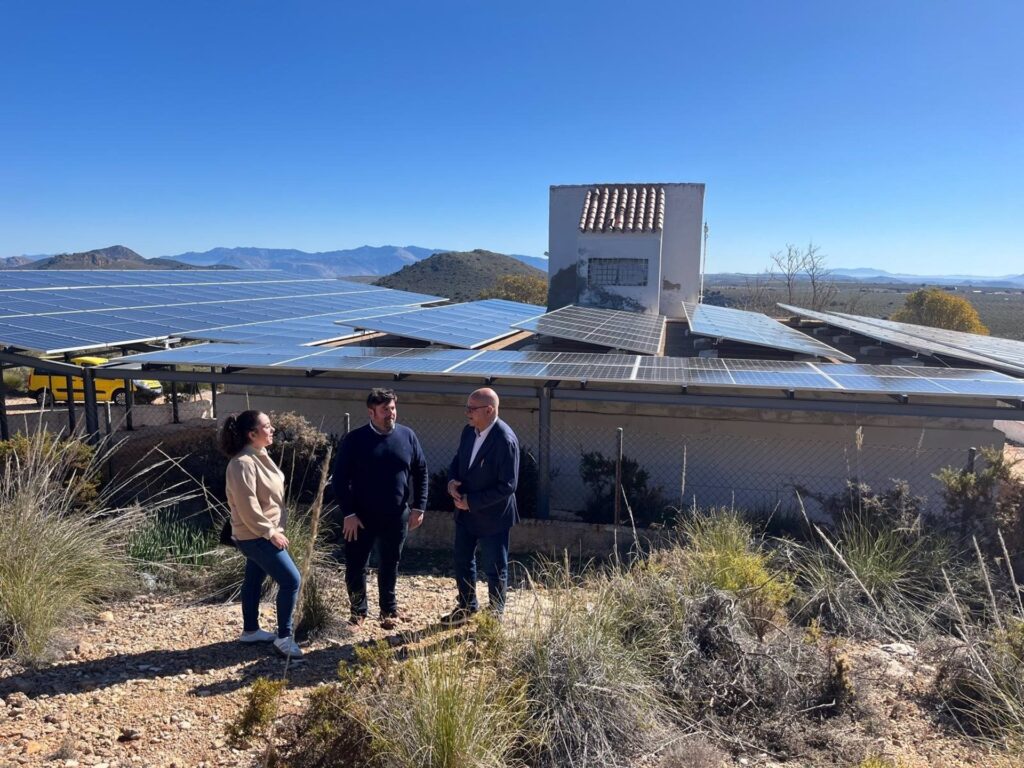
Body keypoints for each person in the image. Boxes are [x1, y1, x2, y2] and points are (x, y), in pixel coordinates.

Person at [332, 388, 428, 629]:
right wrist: (349, 514)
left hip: (396, 515)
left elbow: (421, 471)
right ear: (371, 412)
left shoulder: (408, 436)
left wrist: (419, 507)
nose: (391, 414)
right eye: (385, 410)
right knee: (356, 564)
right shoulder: (355, 440)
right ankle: (358, 612)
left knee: (390, 562)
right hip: (360, 517)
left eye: (393, 408)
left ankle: (389, 609)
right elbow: (340, 479)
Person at [220, 410, 304, 660]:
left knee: (253, 579)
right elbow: (248, 508)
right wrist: (270, 533)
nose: (273, 430)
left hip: (262, 533)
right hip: (256, 536)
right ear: (251, 434)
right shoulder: (242, 463)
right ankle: (284, 638)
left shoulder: (260, 455)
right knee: (291, 580)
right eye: (267, 426)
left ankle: (250, 630)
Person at [441, 387, 519, 626]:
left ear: (489, 410)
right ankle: (466, 606)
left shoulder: (505, 440)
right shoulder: (469, 431)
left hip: (493, 517)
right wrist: (452, 481)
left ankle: (495, 616)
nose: (467, 413)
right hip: (465, 514)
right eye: (467, 408)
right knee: (462, 560)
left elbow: (508, 485)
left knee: (495, 568)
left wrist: (471, 502)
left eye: (472, 409)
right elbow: (458, 461)